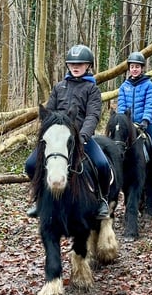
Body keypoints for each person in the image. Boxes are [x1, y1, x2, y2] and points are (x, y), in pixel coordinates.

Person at [24, 44, 111, 219]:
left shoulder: (92, 90)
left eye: (80, 64)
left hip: (81, 138)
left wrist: (83, 136)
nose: (75, 67)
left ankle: (102, 199)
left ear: (88, 66)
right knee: (31, 164)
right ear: (68, 66)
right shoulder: (59, 87)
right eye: (72, 64)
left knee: (102, 164)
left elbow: (93, 115)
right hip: (58, 139)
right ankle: (40, 199)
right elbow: (49, 113)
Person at [117, 52, 152, 177]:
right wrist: (124, 121)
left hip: (144, 123)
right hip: (128, 125)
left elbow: (150, 104)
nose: (134, 69)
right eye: (132, 66)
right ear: (129, 68)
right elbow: (121, 106)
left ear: (142, 68)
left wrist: (145, 120)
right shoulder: (124, 87)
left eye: (137, 67)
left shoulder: (148, 85)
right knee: (116, 145)